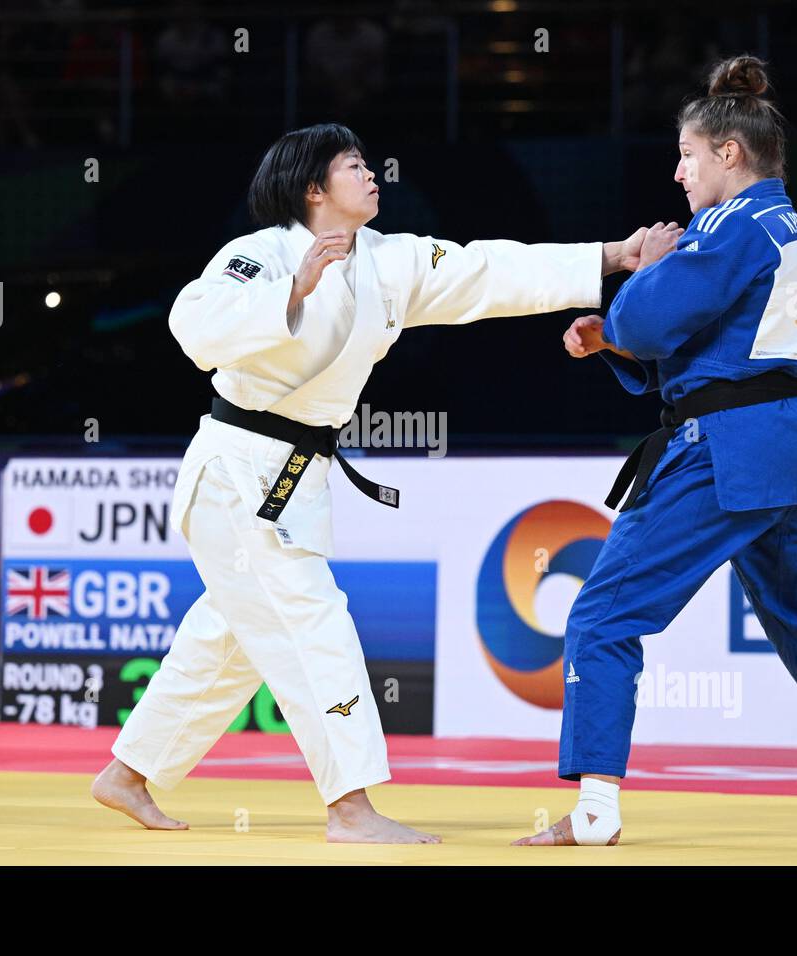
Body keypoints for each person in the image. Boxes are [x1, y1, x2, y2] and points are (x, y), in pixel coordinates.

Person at [92, 122, 652, 844]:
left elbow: (487, 271)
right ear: (314, 189)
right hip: (238, 470)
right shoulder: (259, 256)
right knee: (313, 623)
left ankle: (129, 773)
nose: (371, 173)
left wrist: (609, 257)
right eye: (353, 165)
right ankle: (350, 807)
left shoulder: (389, 261)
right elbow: (192, 329)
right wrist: (292, 290)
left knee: (232, 637)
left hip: (297, 476)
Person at [515, 56, 797, 847]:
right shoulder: (793, 229)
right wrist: (614, 344)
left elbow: (651, 324)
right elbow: (718, 342)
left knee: (601, 615)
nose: (678, 172)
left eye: (688, 156)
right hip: (794, 449)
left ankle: (594, 814)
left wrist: (634, 292)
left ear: (729, 152)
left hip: (721, 452)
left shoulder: (728, 226)